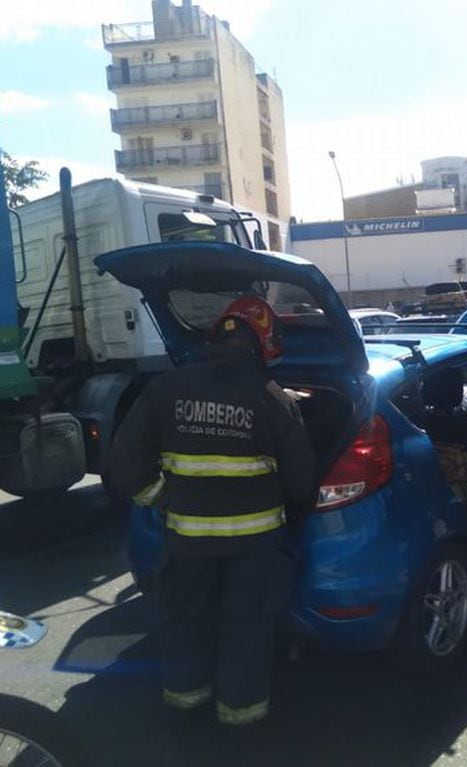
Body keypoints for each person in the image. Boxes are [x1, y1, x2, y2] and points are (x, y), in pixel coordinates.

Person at [109, 296, 317, 726]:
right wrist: (292, 517)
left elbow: (123, 466)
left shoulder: (165, 389)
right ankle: (241, 717)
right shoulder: (274, 399)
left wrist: (161, 498)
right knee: (246, 629)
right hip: (254, 546)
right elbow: (302, 482)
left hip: (185, 539)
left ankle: (186, 705)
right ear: (264, 343)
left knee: (184, 619)